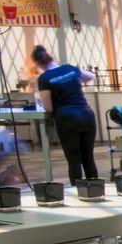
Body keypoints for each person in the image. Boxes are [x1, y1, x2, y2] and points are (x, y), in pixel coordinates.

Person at [30, 45, 98, 182]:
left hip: (67, 119)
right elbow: (90, 76)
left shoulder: (44, 78)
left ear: (37, 64)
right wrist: (76, 78)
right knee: (88, 158)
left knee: (74, 160)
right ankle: (96, 191)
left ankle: (78, 193)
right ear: (50, 57)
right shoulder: (70, 68)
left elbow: (48, 107)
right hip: (87, 114)